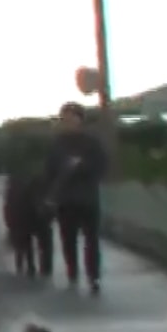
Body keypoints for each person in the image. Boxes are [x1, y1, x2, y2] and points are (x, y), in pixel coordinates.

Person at [44, 101, 107, 294]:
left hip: (88, 198)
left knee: (92, 240)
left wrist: (81, 166)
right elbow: (50, 170)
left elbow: (101, 167)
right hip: (66, 199)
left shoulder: (92, 142)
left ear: (80, 119)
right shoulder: (57, 144)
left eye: (72, 118)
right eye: (65, 119)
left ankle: (93, 276)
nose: (68, 122)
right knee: (68, 239)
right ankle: (72, 271)